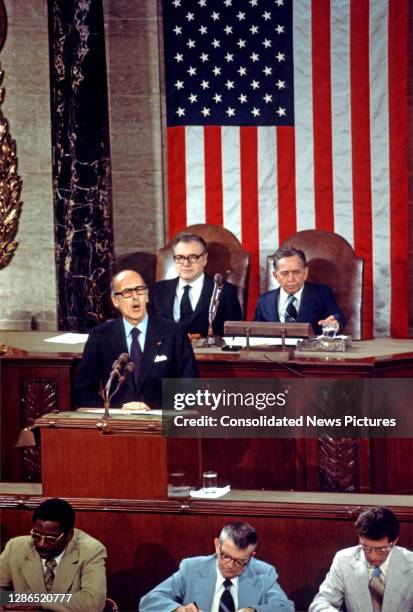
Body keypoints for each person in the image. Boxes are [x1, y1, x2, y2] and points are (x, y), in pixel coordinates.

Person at [75, 269, 199, 409]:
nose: (135, 297)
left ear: (146, 296)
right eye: (127, 292)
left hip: (160, 422)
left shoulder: (174, 333)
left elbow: (190, 389)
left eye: (140, 290)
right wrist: (111, 410)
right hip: (117, 425)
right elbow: (83, 391)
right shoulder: (100, 336)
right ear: (115, 300)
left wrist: (153, 408)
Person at [139, 521, 294, 611]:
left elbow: (286, 607)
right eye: (225, 556)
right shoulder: (192, 568)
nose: (230, 565)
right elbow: (148, 602)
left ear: (251, 556)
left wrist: (254, 611)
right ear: (217, 545)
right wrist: (178, 610)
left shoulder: (263, 573)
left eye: (239, 560)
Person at [0, 498, 106, 612]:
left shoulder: (91, 550)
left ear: (69, 535)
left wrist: (37, 601)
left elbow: (93, 602)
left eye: (51, 539)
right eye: (36, 535)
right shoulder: (15, 546)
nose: (41, 544)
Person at [309, 506, 413, 612]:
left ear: (394, 541)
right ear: (360, 538)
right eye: (366, 548)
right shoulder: (343, 561)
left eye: (381, 549)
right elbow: (320, 603)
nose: (373, 556)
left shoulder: (411, 564)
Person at [151, 233, 242, 337]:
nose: (186, 263)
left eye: (192, 257)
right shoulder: (158, 290)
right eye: (180, 257)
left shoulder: (225, 291)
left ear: (204, 259)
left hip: (207, 351)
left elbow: (234, 335)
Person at [253, 247, 345, 335]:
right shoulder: (264, 301)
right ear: (275, 275)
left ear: (305, 273)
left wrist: (335, 323)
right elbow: (254, 331)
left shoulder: (322, 294)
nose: (290, 279)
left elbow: (337, 317)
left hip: (309, 350)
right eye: (284, 274)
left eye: (296, 273)